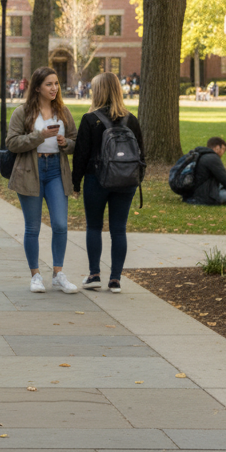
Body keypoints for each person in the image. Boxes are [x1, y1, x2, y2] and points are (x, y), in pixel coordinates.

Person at [6, 66, 78, 294]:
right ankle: (35, 275)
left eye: (56, 84)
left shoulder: (64, 112)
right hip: (31, 170)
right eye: (49, 84)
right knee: (33, 227)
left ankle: (58, 274)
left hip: (56, 169)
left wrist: (66, 143)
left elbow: (76, 141)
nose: (54, 88)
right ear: (37, 87)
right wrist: (40, 136)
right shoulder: (23, 112)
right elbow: (12, 142)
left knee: (60, 224)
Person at [72, 72, 145, 293]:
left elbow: (80, 155)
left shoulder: (90, 119)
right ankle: (115, 279)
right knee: (118, 229)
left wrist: (76, 183)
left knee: (94, 226)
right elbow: (141, 153)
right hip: (126, 180)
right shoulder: (131, 119)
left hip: (97, 178)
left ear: (98, 91)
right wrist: (136, 178)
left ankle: (94, 274)